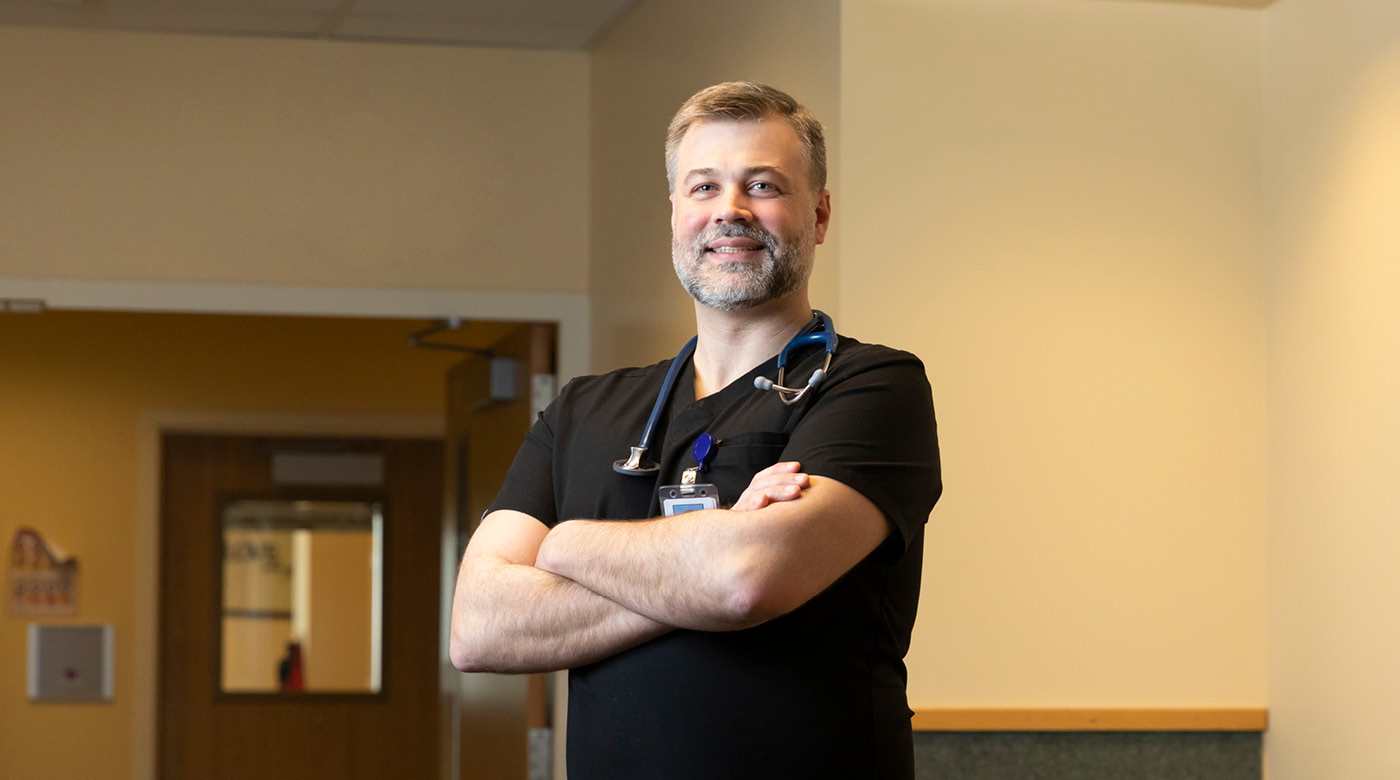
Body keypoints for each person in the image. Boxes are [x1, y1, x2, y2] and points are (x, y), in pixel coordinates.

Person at [450, 81, 941, 779]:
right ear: (675, 213)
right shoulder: (583, 411)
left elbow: (743, 581)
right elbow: (478, 628)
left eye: (763, 185)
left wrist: (564, 543)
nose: (731, 211)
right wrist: (701, 562)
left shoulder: (872, 387)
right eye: (704, 187)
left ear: (820, 213)